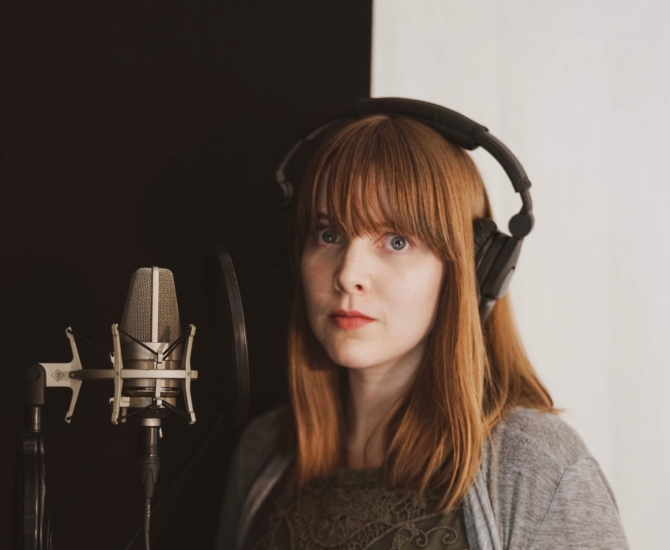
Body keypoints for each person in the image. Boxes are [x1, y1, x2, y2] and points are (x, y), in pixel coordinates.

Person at [215, 113, 629, 550]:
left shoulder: (536, 467)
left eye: (396, 241)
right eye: (329, 233)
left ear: (470, 268)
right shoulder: (264, 453)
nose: (348, 275)